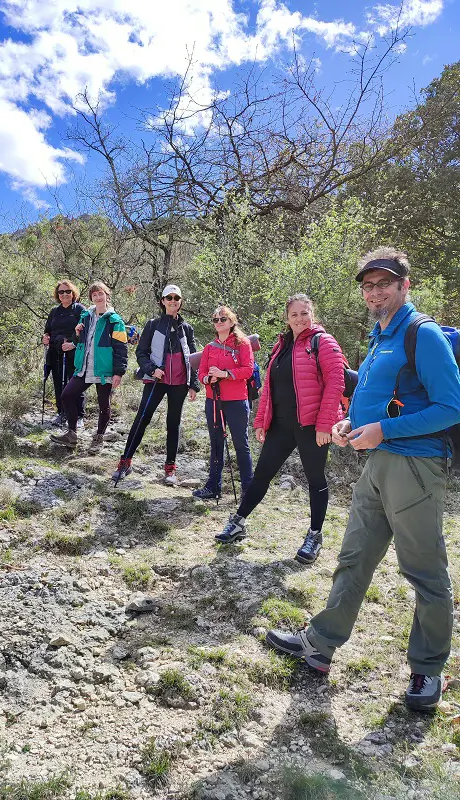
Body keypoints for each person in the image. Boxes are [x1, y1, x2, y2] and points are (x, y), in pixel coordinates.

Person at [266, 248, 460, 712]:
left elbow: (451, 407)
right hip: (376, 463)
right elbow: (378, 398)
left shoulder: (422, 335)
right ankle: (320, 644)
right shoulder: (379, 336)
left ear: (404, 286)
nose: (375, 293)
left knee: (425, 573)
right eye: (369, 286)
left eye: (384, 284)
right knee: (354, 557)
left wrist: (384, 430)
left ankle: (428, 672)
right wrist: (346, 421)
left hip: (413, 466)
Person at [216, 294, 345, 564]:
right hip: (282, 425)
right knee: (262, 474)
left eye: (304, 313)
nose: (300, 318)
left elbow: (336, 383)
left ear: (313, 314)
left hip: (312, 426)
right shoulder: (281, 346)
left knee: (315, 480)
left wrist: (325, 424)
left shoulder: (323, 341)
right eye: (294, 314)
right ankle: (238, 521)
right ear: (287, 318)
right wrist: (262, 420)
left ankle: (314, 536)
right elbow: (269, 389)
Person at [112, 284, 199, 486]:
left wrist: (193, 384)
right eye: (169, 298)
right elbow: (140, 353)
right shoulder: (153, 324)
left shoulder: (187, 328)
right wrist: (152, 369)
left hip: (179, 383)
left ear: (180, 302)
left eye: (176, 298)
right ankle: (125, 462)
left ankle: (170, 468)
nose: (173, 301)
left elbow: (195, 359)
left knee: (173, 424)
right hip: (156, 381)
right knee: (142, 418)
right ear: (162, 301)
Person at [51, 281, 127, 451]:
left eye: (101, 294)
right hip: (85, 366)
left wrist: (118, 372)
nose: (98, 297)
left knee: (103, 405)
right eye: (94, 295)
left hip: (104, 369)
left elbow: (121, 347)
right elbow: (80, 341)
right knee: (67, 395)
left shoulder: (115, 321)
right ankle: (71, 434)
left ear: (107, 295)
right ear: (91, 298)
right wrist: (77, 334)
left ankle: (98, 438)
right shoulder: (86, 316)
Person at [193, 306, 254, 500]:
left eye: (223, 319)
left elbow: (248, 370)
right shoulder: (210, 347)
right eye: (216, 320)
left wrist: (225, 374)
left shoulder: (243, 343)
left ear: (231, 321)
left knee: (241, 445)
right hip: (213, 401)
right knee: (216, 444)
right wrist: (207, 380)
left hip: (236, 401)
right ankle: (213, 486)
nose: (219, 322)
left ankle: (248, 489)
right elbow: (201, 372)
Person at [42, 280, 86, 427]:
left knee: (74, 383)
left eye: (68, 291)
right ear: (58, 295)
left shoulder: (79, 309)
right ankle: (61, 413)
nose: (65, 294)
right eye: (61, 292)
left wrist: (73, 343)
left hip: (74, 352)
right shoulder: (54, 311)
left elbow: (86, 330)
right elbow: (48, 330)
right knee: (58, 383)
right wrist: (46, 338)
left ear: (73, 293)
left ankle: (79, 416)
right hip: (56, 352)